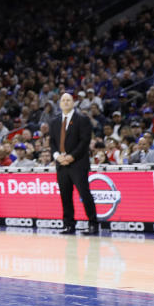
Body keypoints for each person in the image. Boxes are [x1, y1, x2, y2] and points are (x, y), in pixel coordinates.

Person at [49, 92, 99, 235]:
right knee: (65, 195)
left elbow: (85, 141)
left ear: (73, 103)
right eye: (63, 100)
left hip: (78, 163)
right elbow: (52, 142)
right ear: (59, 104)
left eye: (68, 100)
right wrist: (57, 156)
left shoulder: (82, 119)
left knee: (84, 193)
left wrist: (72, 156)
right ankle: (69, 224)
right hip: (61, 164)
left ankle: (93, 224)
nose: (65, 102)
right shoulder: (54, 121)